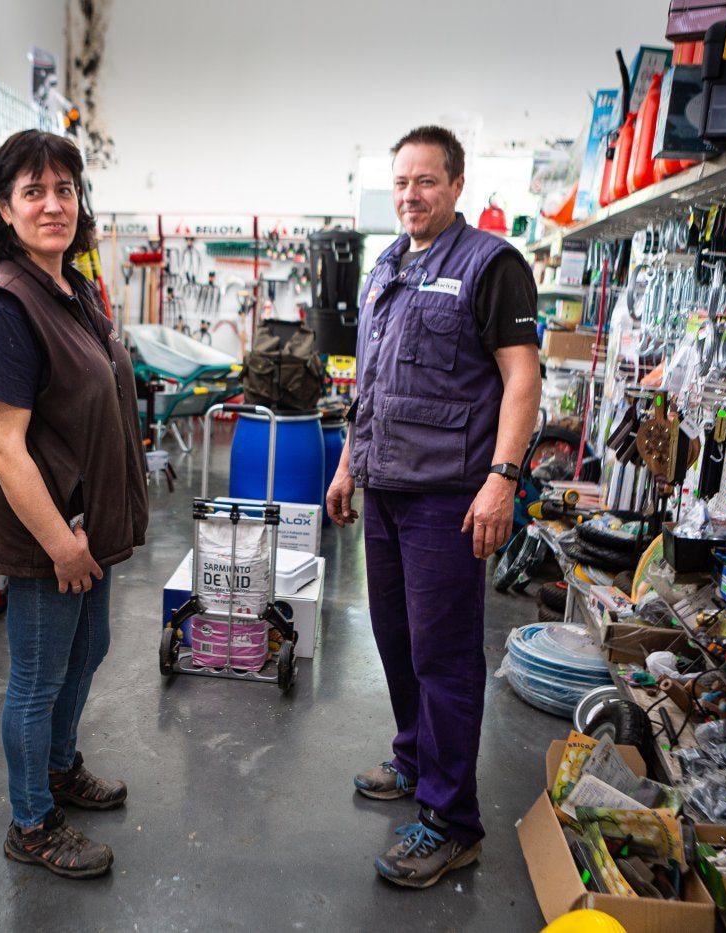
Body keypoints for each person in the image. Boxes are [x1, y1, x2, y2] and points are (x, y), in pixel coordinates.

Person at [325, 125, 541, 889]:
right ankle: (416, 760)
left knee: (444, 654)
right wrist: (349, 464)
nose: (412, 195)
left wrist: (502, 478)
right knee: (393, 638)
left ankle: (454, 822)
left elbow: (522, 378)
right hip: (383, 487)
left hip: (447, 498)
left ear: (455, 185)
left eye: (427, 181)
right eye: (402, 183)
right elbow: (370, 385)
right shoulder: (388, 264)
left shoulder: (492, 264)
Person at [0, 129, 148, 879]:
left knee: (89, 648)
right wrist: (61, 543)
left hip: (86, 525)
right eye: (33, 191)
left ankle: (60, 768)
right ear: (3, 207)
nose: (52, 204)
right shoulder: (6, 306)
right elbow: (4, 445)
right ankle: (31, 821)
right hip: (49, 534)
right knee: (36, 678)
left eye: (64, 189)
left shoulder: (67, 287)